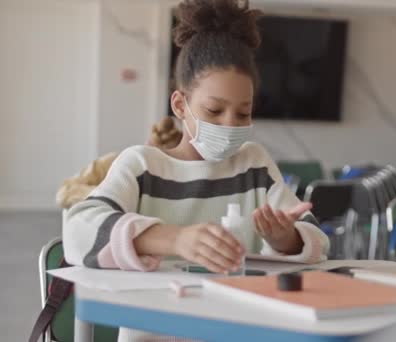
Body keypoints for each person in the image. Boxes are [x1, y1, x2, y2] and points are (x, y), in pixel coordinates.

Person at [63, 0, 329, 340]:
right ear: (180, 105)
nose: (230, 124)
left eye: (243, 113)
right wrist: (174, 239)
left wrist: (286, 239)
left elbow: (317, 242)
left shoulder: (254, 164)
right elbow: (78, 231)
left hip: (240, 330)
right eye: (215, 110)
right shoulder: (144, 166)